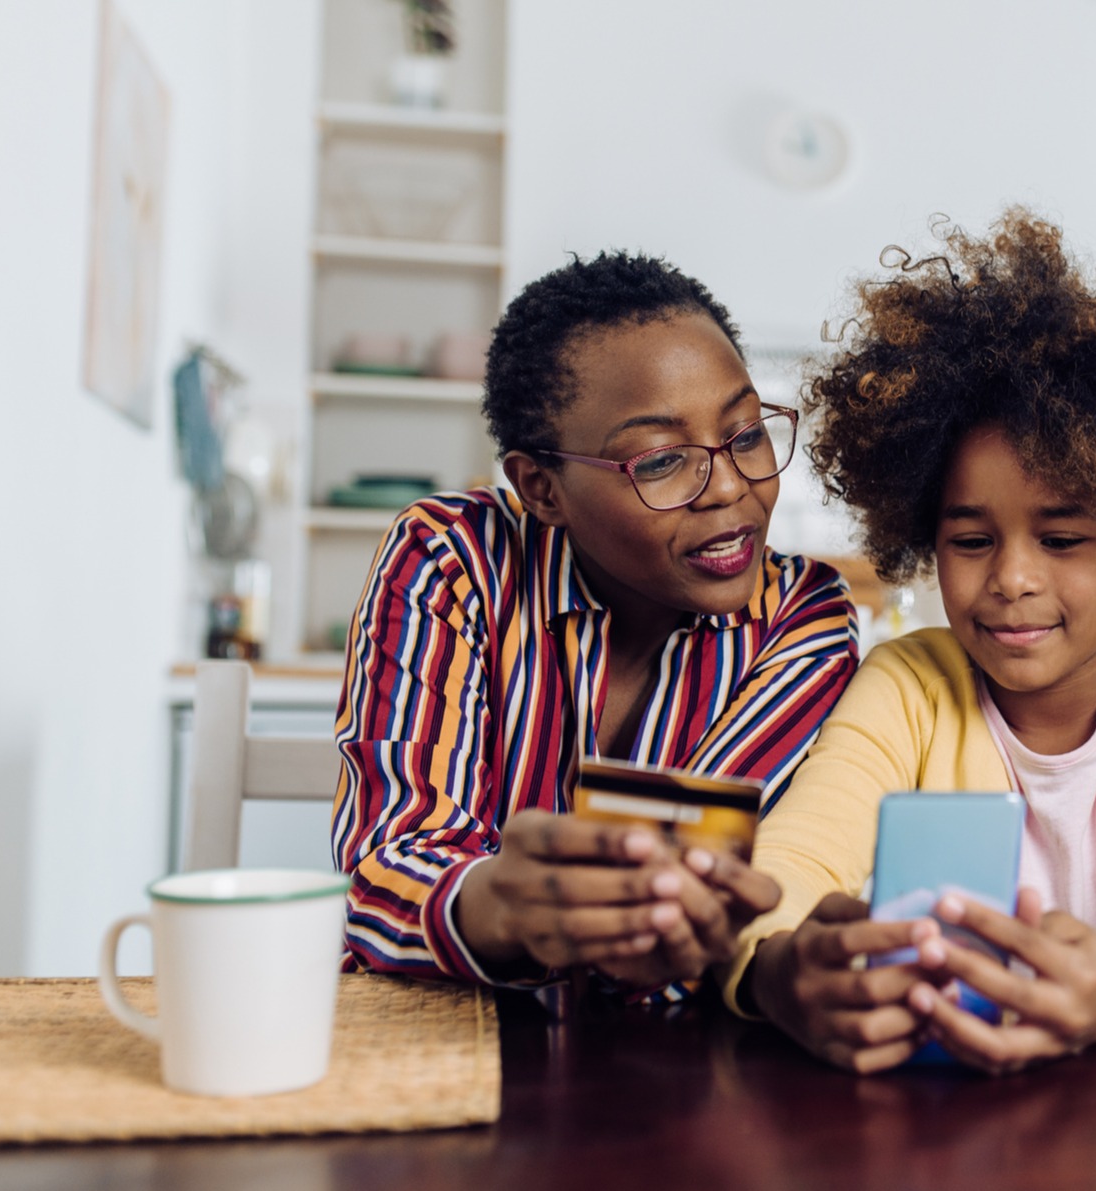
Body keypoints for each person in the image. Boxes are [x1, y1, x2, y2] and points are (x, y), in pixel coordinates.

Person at [722, 210, 1096, 1072]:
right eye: (970, 540)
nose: (1012, 579)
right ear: (926, 540)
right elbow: (793, 860)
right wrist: (776, 967)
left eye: (1061, 540)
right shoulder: (906, 684)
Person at [332, 252, 856, 991]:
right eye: (661, 460)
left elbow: (698, 892)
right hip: (432, 1040)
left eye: (744, 435)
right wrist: (502, 908)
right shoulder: (453, 560)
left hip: (658, 1071)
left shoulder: (801, 616)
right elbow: (386, 871)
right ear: (541, 488)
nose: (732, 487)